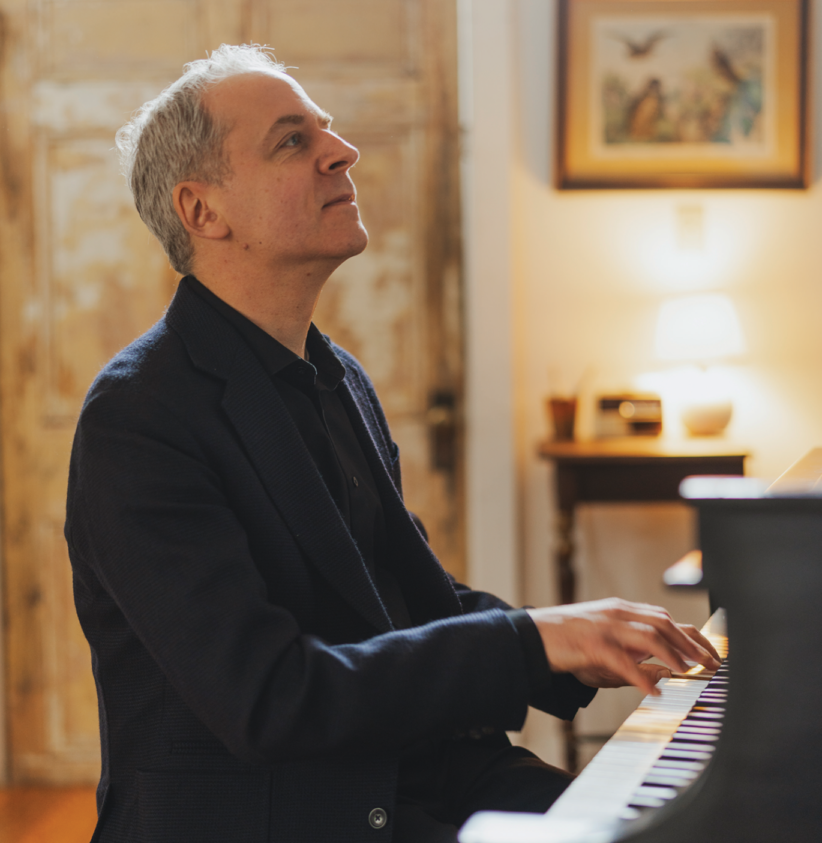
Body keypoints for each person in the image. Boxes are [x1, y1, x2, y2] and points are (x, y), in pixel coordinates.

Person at [64, 44, 719, 843]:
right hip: (282, 816)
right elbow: (270, 697)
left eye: (326, 130)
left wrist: (587, 637)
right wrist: (531, 642)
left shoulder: (337, 376)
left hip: (413, 773)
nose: (342, 151)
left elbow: (411, 608)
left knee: (679, 825)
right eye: (292, 141)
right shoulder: (138, 416)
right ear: (203, 211)